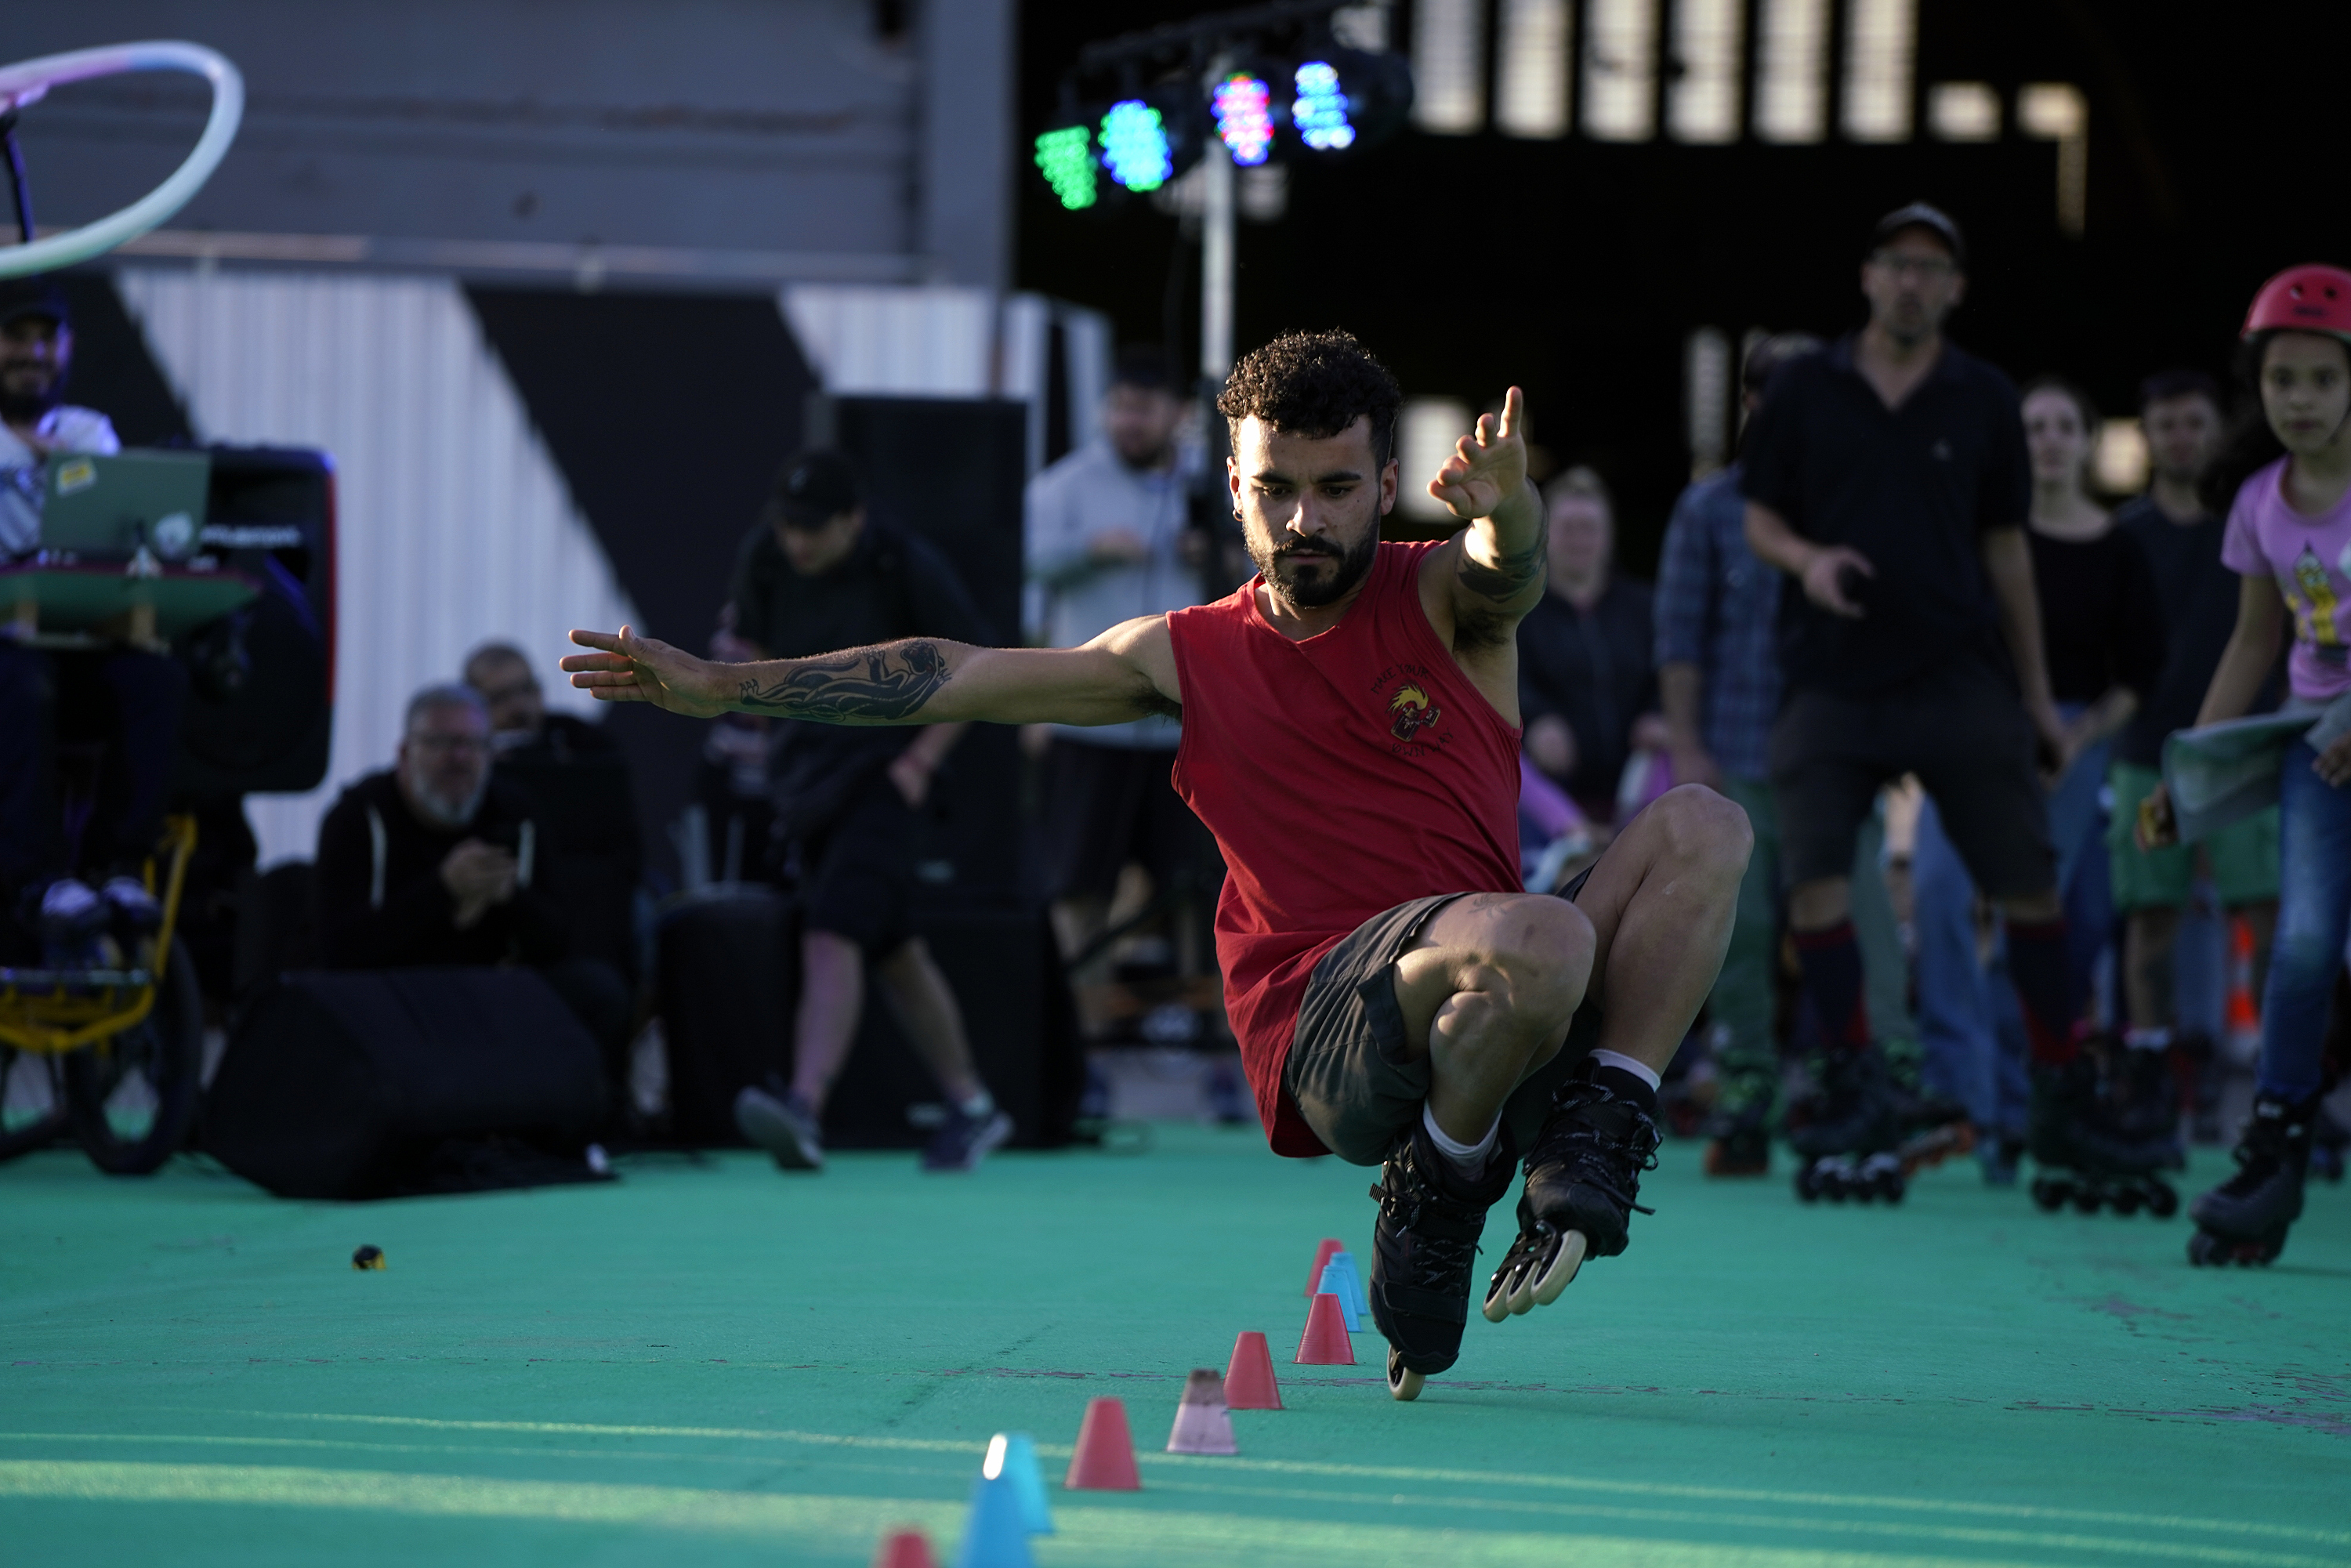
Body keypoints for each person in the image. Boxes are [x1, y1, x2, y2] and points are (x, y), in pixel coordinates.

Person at [565, 331, 1751, 1400]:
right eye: (1275, 488)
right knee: (1539, 934)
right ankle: (1438, 1187)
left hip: (1498, 996)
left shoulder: (1445, 596)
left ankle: (1600, 1125)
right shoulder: (1181, 655)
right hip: (1335, 1033)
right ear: (1232, 488)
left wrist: (1512, 511)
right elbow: (951, 673)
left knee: (1704, 823)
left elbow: (1508, 566)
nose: (1305, 520)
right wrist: (726, 685)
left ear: (1386, 489)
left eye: (1337, 489)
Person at [1740, 202, 2081, 1193]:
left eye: (1933, 269)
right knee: (1814, 882)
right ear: (1869, 275)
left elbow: (2009, 551)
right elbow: (1758, 512)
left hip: (1958, 671)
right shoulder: (1806, 388)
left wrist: (2041, 699)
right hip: (1832, 675)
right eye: (1896, 263)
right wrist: (1807, 561)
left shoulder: (1983, 398)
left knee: (2028, 879)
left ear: (1956, 290)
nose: (1912, 282)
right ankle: (1853, 1080)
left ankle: (2059, 1089)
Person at [1654, 332, 1915, 1177]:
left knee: (1865, 925)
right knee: (1743, 934)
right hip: (1735, 753)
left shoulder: (1859, 498)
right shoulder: (1709, 507)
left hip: (1838, 760)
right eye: (1768, 391)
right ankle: (1747, 1088)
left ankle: (1882, 1083)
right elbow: (1680, 638)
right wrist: (1689, 745)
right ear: (1751, 405)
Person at [722, 449, 1013, 1175]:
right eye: (789, 526)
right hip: (803, 785)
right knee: (895, 949)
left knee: (831, 931)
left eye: (814, 528)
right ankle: (974, 1108)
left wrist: (917, 763)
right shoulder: (764, 555)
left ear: (855, 520)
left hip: (882, 782)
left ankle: (803, 1106)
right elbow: (755, 649)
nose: (799, 542)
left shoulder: (903, 563)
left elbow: (976, 666)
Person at [1908, 375, 2165, 1183]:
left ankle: (2022, 1110)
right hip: (1975, 728)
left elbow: (2141, 671)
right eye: (2035, 426)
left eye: (2065, 425)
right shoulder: (1979, 531)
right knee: (1941, 901)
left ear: (2089, 440)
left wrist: (2077, 738)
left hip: (2073, 740)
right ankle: (1959, 1105)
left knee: (2032, 933)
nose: (2050, 439)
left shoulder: (2120, 545)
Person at [2144, 265, 2351, 1266]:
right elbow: (2254, 646)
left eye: (2321, 378)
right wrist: (2183, 776)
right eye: (2283, 381)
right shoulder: (2263, 503)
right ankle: (2273, 1154)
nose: (2300, 399)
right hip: (2318, 753)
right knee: (2306, 944)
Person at [2106, 371, 2278, 1143]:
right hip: (2149, 759)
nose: (2181, 437)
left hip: (2250, 749)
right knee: (2150, 920)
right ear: (2148, 436)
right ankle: (2151, 1077)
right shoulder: (2125, 537)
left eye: (2194, 422)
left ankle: (2283, 1088)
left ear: (2219, 429)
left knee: (2268, 922)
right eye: (2165, 424)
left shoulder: (2260, 519)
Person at [314, 684, 634, 1090]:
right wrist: (443, 890)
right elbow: (338, 952)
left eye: (474, 745)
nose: (460, 759)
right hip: (395, 996)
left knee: (598, 991)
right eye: (442, 744)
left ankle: (582, 1135)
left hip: (491, 991)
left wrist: (507, 896)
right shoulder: (359, 818)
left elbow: (559, 941)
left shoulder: (516, 814)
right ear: (404, 753)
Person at [1023, 347, 1219, 983]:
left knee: (1211, 895)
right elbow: (1016, 561)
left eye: (1145, 407)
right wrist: (1088, 552)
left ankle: (1215, 1055)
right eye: (1120, 406)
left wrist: (1215, 551)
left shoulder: (1217, 483)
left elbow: (1271, 566)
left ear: (1178, 414)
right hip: (1091, 727)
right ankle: (1081, 1053)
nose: (1130, 421)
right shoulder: (1066, 485)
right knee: (1081, 889)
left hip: (1191, 725)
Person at [0, 277, 182, 955]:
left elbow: (106, 513)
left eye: (47, 339)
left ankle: (119, 868)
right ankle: (35, 879)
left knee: (154, 682)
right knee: (23, 680)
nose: (33, 354)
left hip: (72, 642)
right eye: (17, 338)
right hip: (10, 662)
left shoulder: (87, 431)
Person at [462, 641, 646, 979]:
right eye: (500, 698)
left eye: (527, 689)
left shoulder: (583, 744)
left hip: (594, 914)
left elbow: (625, 845)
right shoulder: (467, 766)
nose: (519, 707)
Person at [1517, 468, 1664, 823]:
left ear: (1609, 536)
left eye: (1589, 528)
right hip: (1550, 784)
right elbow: (1505, 676)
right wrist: (1536, 721)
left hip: (1635, 778)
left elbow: (1669, 670)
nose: (1578, 539)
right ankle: (1572, 842)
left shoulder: (1644, 607)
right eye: (1568, 528)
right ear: (1545, 534)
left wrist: (1659, 714)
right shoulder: (1519, 610)